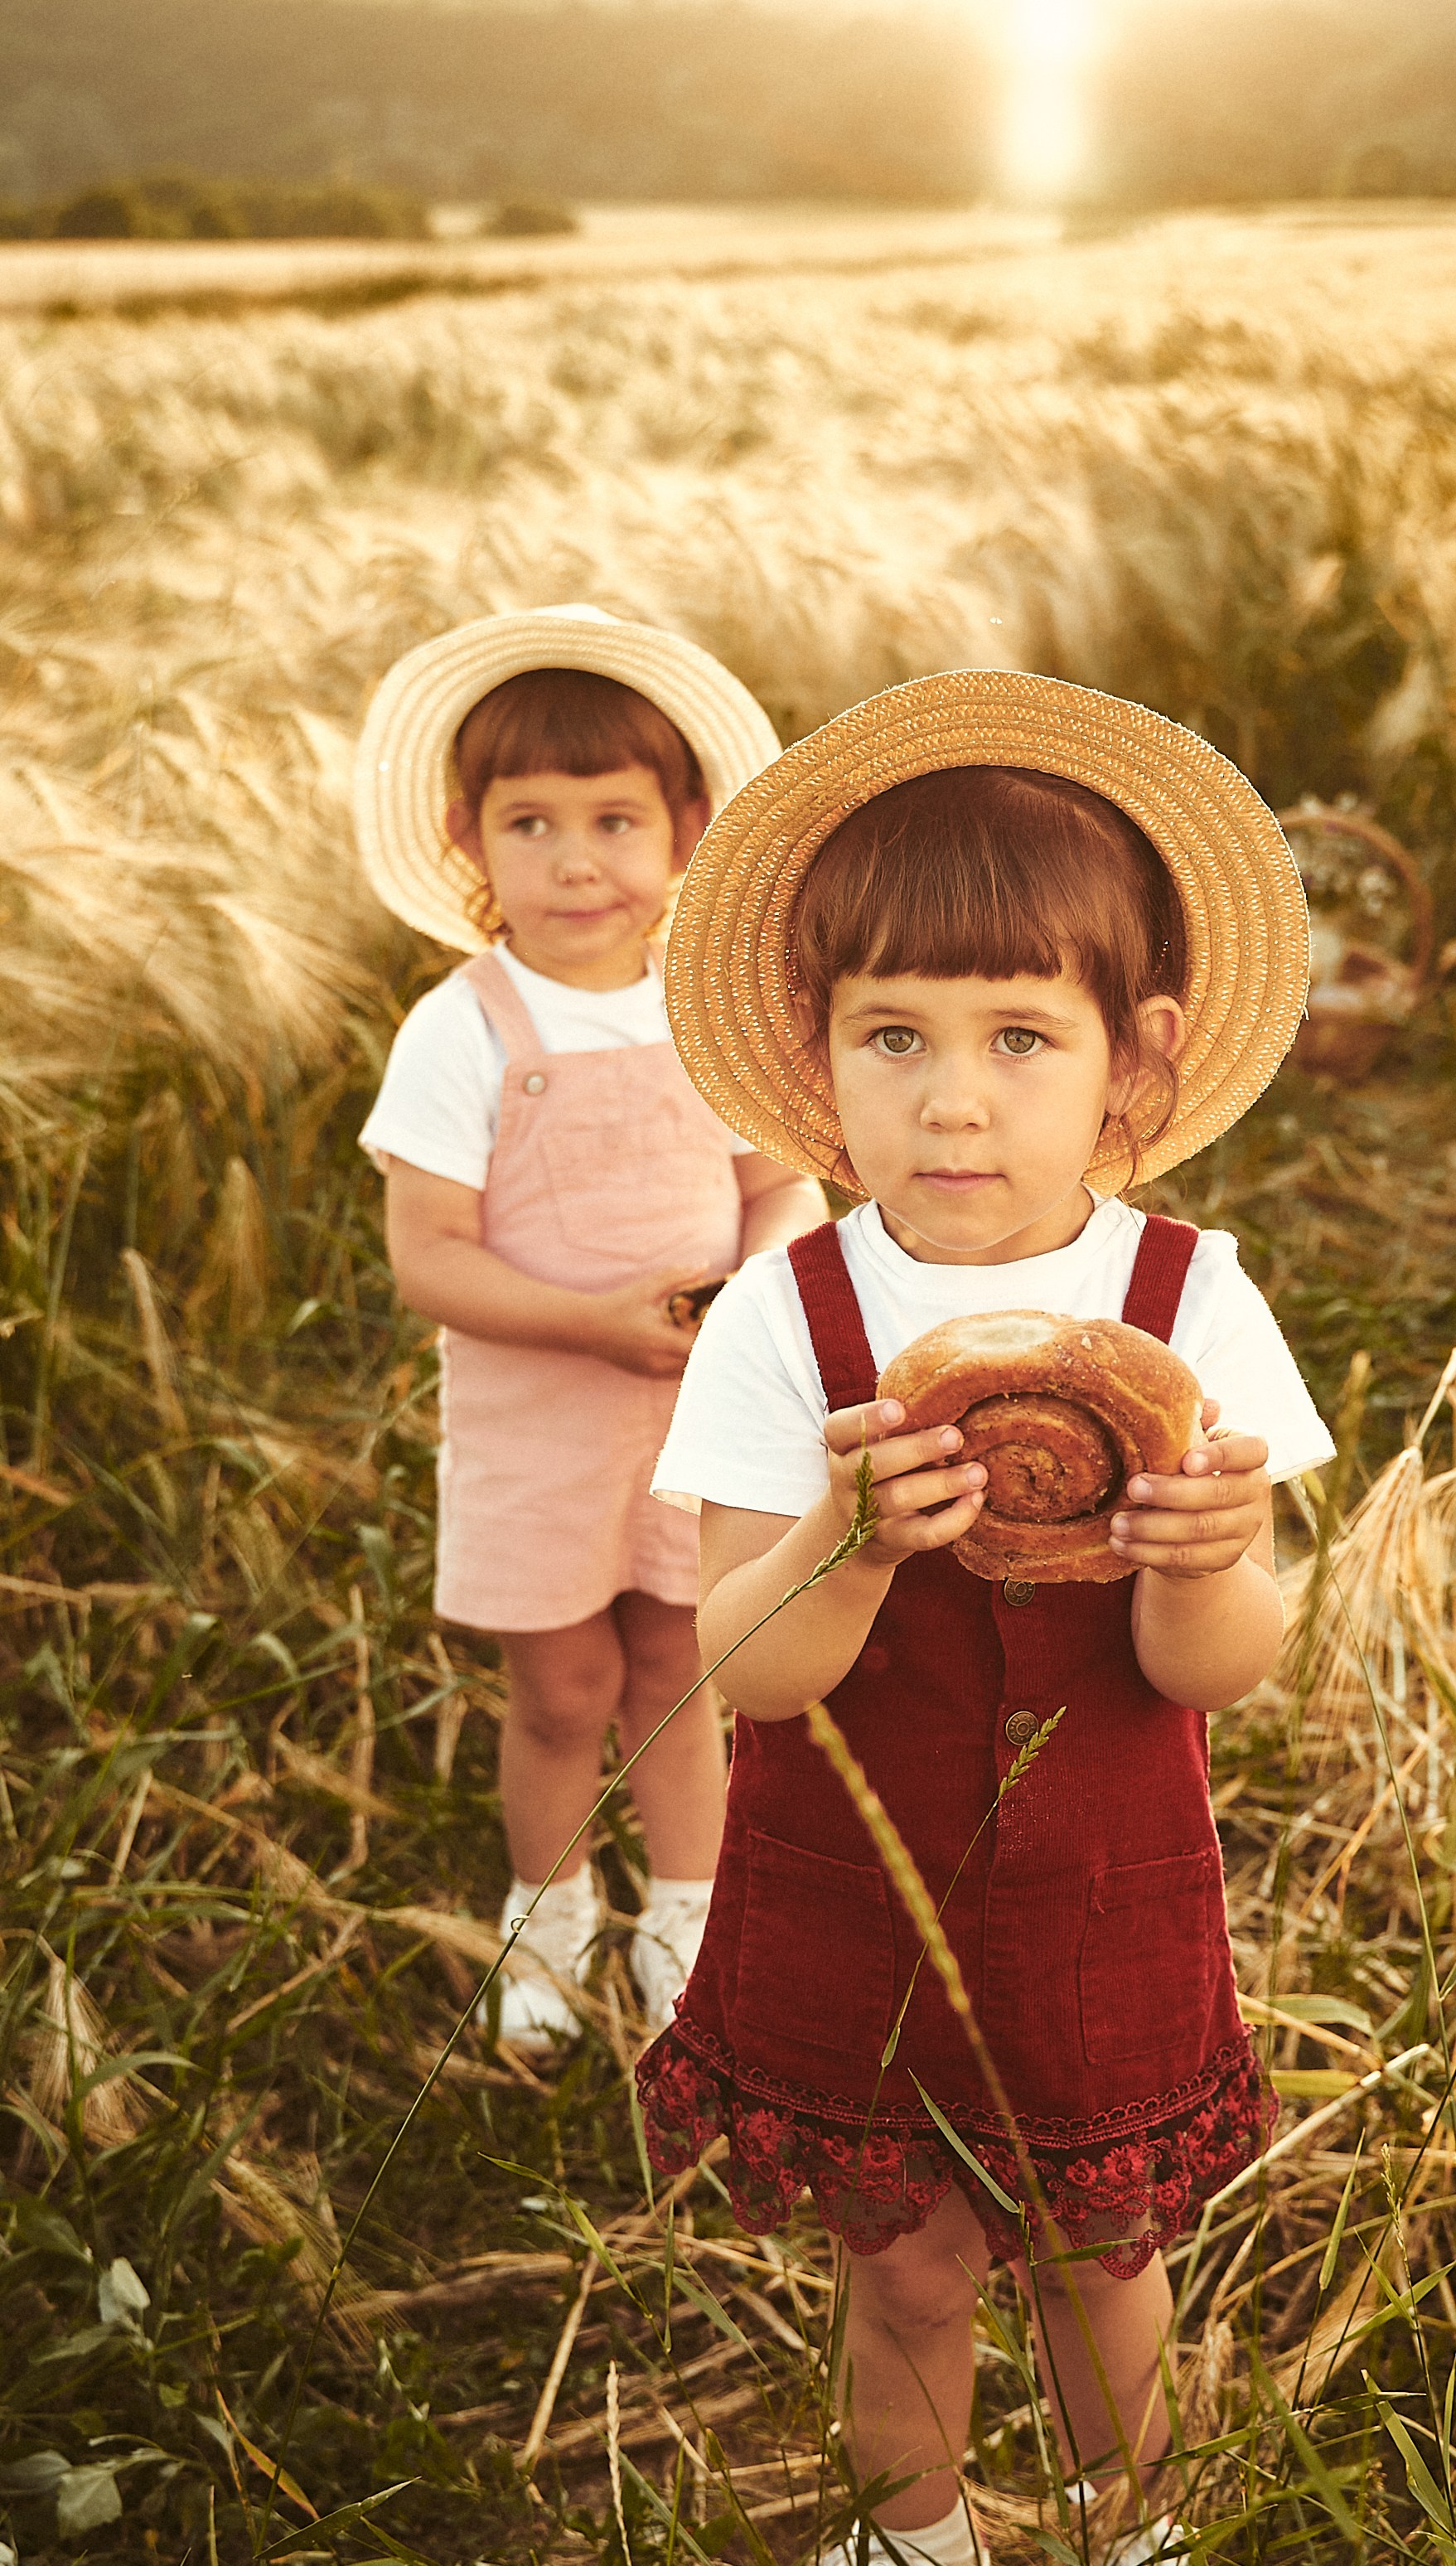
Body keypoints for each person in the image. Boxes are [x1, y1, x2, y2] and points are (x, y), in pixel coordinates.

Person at [636, 671, 1337, 2566]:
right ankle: (912, 2536)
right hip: (862, 1880)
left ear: (1137, 1057)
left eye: (1023, 1035)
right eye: (897, 1037)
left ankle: (1134, 2530)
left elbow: (1221, 1673)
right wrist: (853, 1541)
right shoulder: (789, 1317)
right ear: (818, 1050)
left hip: (1100, 1883)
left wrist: (1203, 1556)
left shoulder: (1191, 1303)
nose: (955, 1098)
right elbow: (742, 1672)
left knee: (1101, 2263)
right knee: (914, 2271)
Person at [352, 607, 825, 2045]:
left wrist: (755, 1286)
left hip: (697, 1400)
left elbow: (781, 1183)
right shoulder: (465, 1028)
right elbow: (427, 1258)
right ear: (466, 839)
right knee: (563, 1687)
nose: (574, 861)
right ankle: (545, 1916)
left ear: (686, 831)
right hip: (543, 1413)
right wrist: (588, 1322)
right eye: (531, 823)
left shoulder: (712, 1012)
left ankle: (688, 1916)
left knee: (682, 1666)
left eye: (614, 820)